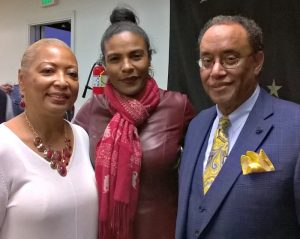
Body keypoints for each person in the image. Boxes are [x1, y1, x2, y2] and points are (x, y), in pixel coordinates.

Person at [73, 6, 195, 239]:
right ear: (104, 65)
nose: (127, 66)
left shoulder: (178, 107)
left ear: (149, 57)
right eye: (115, 59)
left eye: (136, 55)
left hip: (163, 230)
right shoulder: (90, 112)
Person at [176, 15, 300, 238]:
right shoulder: (196, 126)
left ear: (257, 62)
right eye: (207, 61)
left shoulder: (294, 126)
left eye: (230, 59)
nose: (216, 71)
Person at [0, 38, 98, 239]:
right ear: (22, 79)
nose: (62, 82)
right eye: (48, 71)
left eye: (72, 74)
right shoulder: (4, 146)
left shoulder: (81, 136)